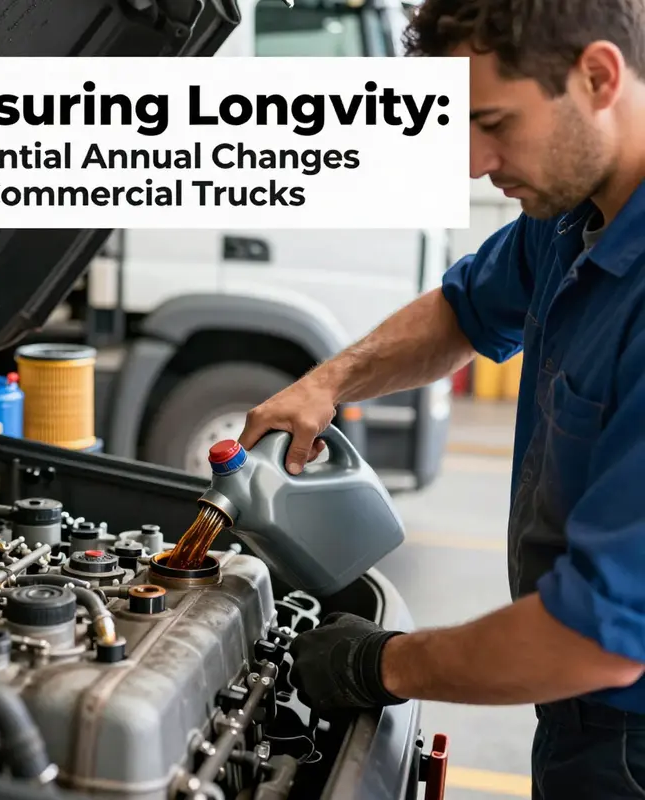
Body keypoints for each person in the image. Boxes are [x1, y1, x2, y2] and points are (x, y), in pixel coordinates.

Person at [236, 1, 645, 797]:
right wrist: (327, 383)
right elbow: (465, 310)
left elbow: (598, 637)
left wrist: (378, 663)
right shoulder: (571, 215)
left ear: (597, 76)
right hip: (579, 720)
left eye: (492, 121)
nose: (472, 160)